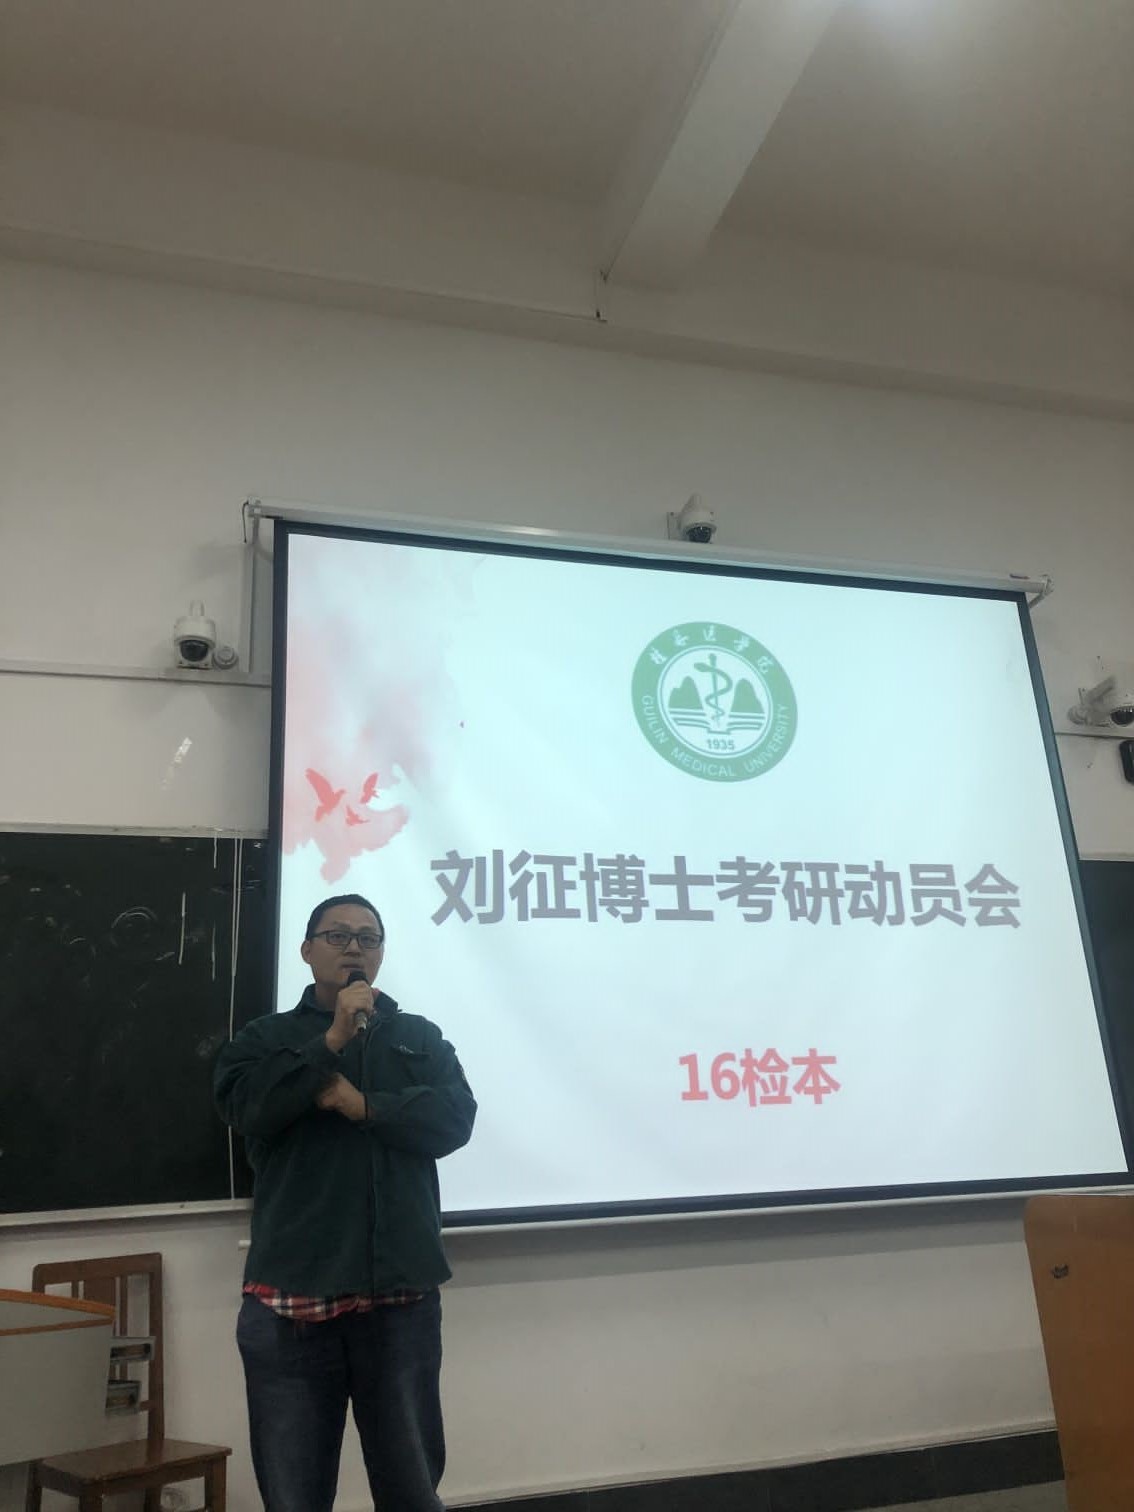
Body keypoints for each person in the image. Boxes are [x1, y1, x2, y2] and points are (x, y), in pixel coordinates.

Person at [214, 893, 476, 1512]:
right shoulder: (264, 1039)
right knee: (295, 1495)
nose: (354, 947)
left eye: (368, 937)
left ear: (381, 953)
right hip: (293, 1306)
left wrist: (366, 1106)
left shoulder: (418, 1037)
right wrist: (330, 1040)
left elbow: (455, 1118)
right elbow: (246, 1108)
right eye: (337, 936)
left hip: (400, 1303)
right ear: (307, 951)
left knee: (413, 1490)